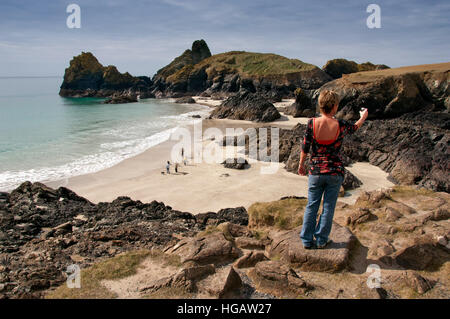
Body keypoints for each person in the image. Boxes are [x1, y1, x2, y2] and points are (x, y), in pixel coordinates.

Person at [298, 90, 368, 249]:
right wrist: (363, 116)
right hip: (335, 171)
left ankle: (306, 240)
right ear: (335, 106)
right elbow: (355, 127)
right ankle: (322, 240)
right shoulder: (340, 124)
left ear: (320, 105)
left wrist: (301, 165)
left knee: (312, 205)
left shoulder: (311, 123)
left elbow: (305, 147)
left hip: (315, 171)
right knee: (328, 207)